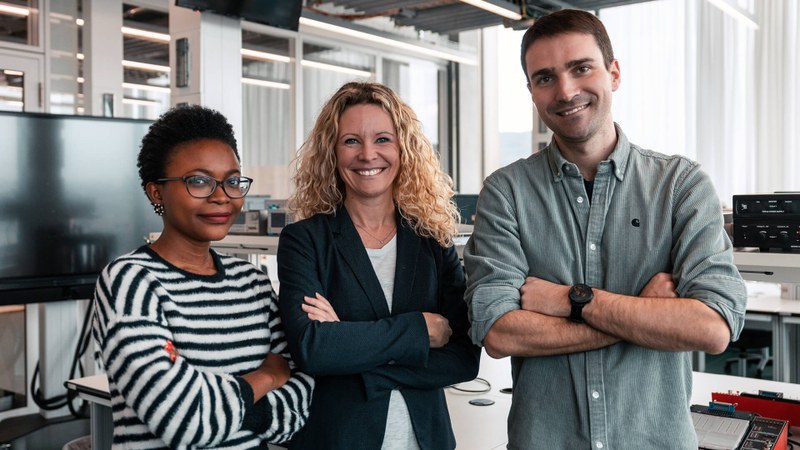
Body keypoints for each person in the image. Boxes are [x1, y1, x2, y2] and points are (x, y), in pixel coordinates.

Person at [464, 9, 747, 450]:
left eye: (581, 68)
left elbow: (712, 326)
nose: (566, 90)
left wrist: (568, 300)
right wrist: (642, 315)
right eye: (545, 78)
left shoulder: (679, 186)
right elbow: (499, 332)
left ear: (613, 73)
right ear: (532, 93)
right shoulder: (507, 193)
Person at [92, 104, 313, 449]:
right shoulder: (131, 282)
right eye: (199, 181)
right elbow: (183, 420)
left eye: (232, 181)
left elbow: (299, 408)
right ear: (156, 192)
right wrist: (268, 376)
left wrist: (217, 403)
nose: (222, 196)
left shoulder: (252, 282)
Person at [277, 81, 481, 450]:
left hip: (426, 440)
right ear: (332, 152)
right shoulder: (304, 240)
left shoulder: (432, 240)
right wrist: (420, 330)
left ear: (404, 149)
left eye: (383, 139)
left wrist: (350, 344)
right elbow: (313, 348)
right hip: (338, 439)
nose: (368, 154)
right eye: (351, 140)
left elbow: (464, 359)